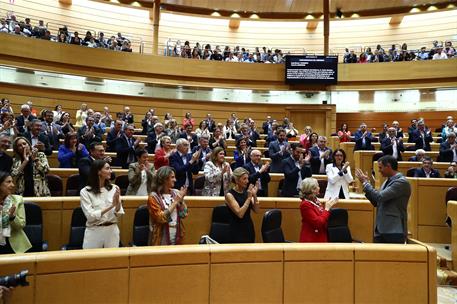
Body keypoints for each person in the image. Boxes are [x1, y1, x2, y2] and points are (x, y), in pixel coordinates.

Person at [355, 155, 411, 243]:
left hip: (394, 230)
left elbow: (379, 197)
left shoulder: (401, 182)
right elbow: (377, 202)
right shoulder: (387, 181)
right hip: (381, 229)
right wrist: (366, 185)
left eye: (380, 167)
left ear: (388, 166)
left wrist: (366, 183)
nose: (379, 170)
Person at [80, 160, 124, 249]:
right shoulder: (85, 192)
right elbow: (90, 216)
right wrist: (111, 206)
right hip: (94, 231)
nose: (111, 171)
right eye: (107, 168)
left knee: (112, 261)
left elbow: (118, 213)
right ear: (98, 171)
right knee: (91, 261)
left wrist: (118, 203)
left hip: (112, 230)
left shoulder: (114, 188)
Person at [147, 166, 188, 245]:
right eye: (172, 177)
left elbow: (184, 214)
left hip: (177, 234)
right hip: (160, 237)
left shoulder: (176, 193)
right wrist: (176, 202)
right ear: (164, 179)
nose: (175, 180)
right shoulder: (153, 197)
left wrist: (181, 201)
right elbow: (160, 218)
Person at [225, 167, 260, 243]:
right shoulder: (229, 195)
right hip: (236, 230)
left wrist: (254, 195)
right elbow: (240, 214)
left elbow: (257, 210)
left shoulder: (247, 193)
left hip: (248, 228)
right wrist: (248, 198)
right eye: (244, 179)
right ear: (237, 180)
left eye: (247, 179)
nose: (247, 181)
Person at [0, 172, 32, 254]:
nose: (12, 185)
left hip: (13, 244)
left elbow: (21, 224)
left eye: (12, 181)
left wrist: (12, 217)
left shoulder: (17, 200)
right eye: (8, 182)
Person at [299, 178, 338, 243]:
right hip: (311, 240)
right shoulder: (305, 205)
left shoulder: (316, 200)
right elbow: (318, 223)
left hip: (320, 236)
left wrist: (329, 206)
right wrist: (327, 209)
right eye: (317, 186)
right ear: (312, 189)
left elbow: (322, 216)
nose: (319, 188)